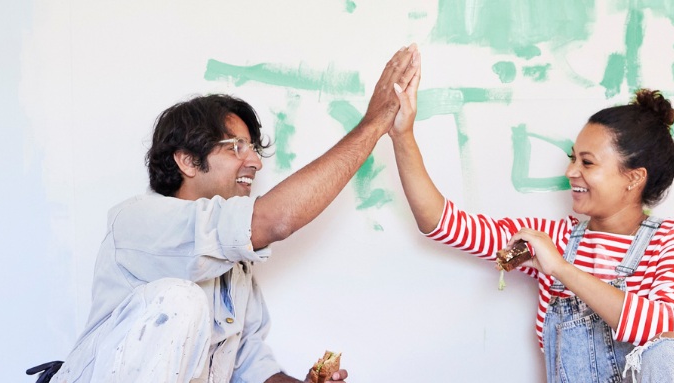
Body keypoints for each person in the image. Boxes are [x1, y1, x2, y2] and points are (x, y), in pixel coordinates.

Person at [46, 44, 420, 383]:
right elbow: (273, 221)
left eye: (254, 148)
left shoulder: (234, 266)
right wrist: (374, 123)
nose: (255, 161)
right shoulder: (137, 221)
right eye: (236, 147)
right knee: (180, 301)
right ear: (188, 161)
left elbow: (247, 366)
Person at [387, 77, 674, 382]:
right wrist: (402, 134)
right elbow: (440, 222)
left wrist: (561, 270)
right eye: (573, 158)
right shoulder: (555, 242)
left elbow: (665, 327)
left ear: (633, 178)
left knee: (666, 351)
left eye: (587, 162)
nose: (571, 171)